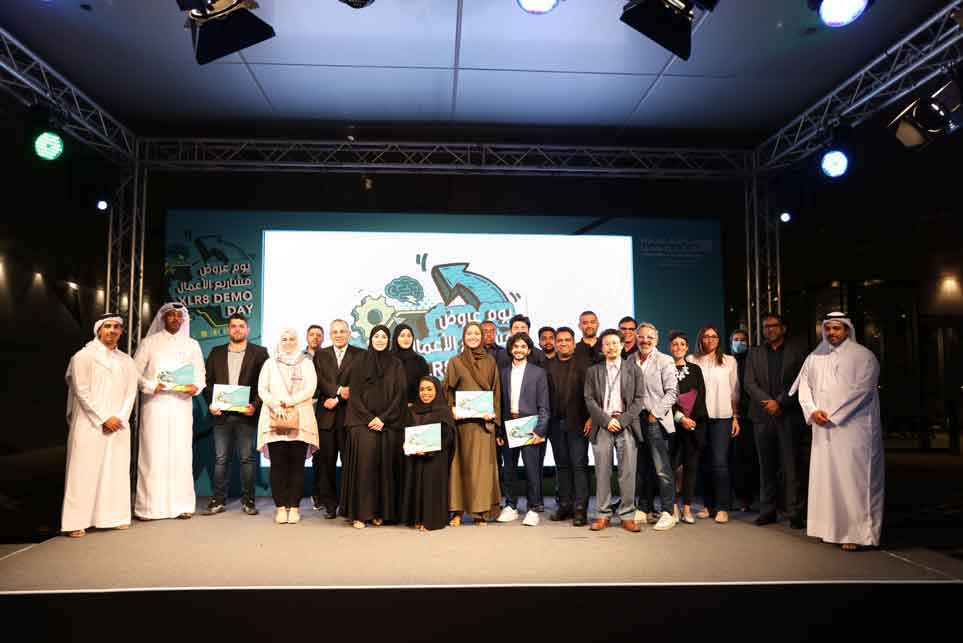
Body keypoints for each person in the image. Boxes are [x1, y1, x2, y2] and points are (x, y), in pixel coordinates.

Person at [790, 312, 883, 551]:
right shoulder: (814, 358)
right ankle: (829, 530)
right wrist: (812, 411)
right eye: (828, 328)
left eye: (837, 328)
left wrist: (833, 415)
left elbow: (863, 391)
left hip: (854, 429)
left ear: (847, 330)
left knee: (854, 481)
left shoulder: (864, 356)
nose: (832, 333)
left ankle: (857, 534)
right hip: (823, 429)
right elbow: (804, 387)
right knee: (826, 479)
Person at [61, 313, 138, 538]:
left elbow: (131, 392)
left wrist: (120, 417)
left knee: (115, 471)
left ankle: (113, 517)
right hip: (90, 423)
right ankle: (76, 521)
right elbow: (81, 391)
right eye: (108, 326)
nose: (112, 330)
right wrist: (104, 418)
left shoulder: (127, 360)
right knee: (83, 472)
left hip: (119, 424)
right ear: (99, 330)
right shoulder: (83, 356)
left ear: (121, 332)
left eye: (117, 327)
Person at [133, 303, 206, 520]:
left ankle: (183, 505)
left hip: (181, 407)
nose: (175, 319)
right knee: (152, 454)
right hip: (155, 406)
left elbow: (200, 375)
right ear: (163, 318)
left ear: (184, 320)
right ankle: (148, 508)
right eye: (171, 315)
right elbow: (134, 373)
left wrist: (196, 387)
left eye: (179, 316)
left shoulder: (192, 345)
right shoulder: (149, 343)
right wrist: (150, 386)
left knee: (180, 454)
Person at [744, 314, 808, 529]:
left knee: (792, 466)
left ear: (783, 328)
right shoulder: (754, 353)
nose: (769, 329)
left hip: (788, 414)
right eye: (766, 327)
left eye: (773, 326)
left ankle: (795, 512)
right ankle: (767, 510)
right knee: (766, 466)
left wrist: (780, 402)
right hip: (762, 416)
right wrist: (768, 402)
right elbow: (749, 383)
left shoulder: (797, 351)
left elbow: (801, 381)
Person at [340, 325, 407, 529]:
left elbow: (399, 394)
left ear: (389, 340)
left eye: (384, 337)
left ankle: (380, 513)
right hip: (362, 423)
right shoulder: (359, 361)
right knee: (365, 467)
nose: (380, 340)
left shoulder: (396, 363)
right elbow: (355, 394)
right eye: (376, 336)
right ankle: (361, 514)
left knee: (384, 467)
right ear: (370, 339)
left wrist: (383, 418)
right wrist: (370, 418)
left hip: (388, 423)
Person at [202, 313, 269, 516]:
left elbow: (264, 384)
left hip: (246, 415)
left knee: (247, 459)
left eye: (241, 326)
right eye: (233, 326)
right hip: (221, 415)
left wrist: (255, 406)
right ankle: (218, 500)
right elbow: (207, 383)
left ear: (248, 329)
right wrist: (211, 403)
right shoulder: (216, 352)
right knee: (221, 459)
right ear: (228, 329)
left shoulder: (260, 353)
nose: (237, 329)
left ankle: (249, 501)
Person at [584, 329, 645, 532]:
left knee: (628, 472)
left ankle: (627, 515)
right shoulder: (593, 371)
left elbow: (639, 399)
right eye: (607, 344)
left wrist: (623, 420)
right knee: (602, 471)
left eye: (614, 343)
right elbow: (589, 399)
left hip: (626, 425)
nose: (611, 347)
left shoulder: (634, 369)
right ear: (602, 348)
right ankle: (603, 514)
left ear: (622, 345)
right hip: (603, 424)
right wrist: (606, 420)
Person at [256, 328, 319, 524]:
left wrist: (290, 401)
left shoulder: (307, 363)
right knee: (278, 465)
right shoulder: (270, 363)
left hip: (301, 418)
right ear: (279, 341)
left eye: (292, 339)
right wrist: (276, 405)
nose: (288, 342)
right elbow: (262, 389)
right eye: (284, 339)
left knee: (297, 466)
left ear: (297, 341)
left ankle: (294, 507)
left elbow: (311, 388)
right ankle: (281, 507)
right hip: (274, 417)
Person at [444, 322, 502, 526]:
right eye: (469, 333)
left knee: (481, 470)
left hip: (482, 425)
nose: (473, 337)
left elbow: (496, 392)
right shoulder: (455, 361)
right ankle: (457, 512)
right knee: (459, 468)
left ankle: (480, 512)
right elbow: (448, 391)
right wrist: (451, 409)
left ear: (482, 337)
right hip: (462, 425)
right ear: (463, 336)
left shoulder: (491, 361)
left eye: (476, 333)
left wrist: (493, 415)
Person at [311, 319, 364, 518]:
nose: (339, 335)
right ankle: (330, 504)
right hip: (326, 417)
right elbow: (318, 380)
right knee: (326, 464)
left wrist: (338, 398)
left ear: (349, 334)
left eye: (342, 331)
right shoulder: (321, 355)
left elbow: (360, 383)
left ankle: (349, 504)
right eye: (335, 332)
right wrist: (339, 391)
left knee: (350, 464)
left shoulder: (361, 355)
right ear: (330, 335)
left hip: (350, 417)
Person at [496, 333, 551, 526]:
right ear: (510, 349)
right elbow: (500, 404)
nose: (519, 350)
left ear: (528, 350)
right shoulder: (502, 373)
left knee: (531, 469)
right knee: (509, 469)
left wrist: (540, 430)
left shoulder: (538, 373)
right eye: (515, 346)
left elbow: (544, 405)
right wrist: (499, 431)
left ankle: (533, 508)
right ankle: (511, 506)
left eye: (523, 347)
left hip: (530, 426)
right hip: (509, 425)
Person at [688, 325, 740, 523]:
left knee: (719, 462)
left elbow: (734, 391)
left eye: (714, 336)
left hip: (723, 417)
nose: (710, 340)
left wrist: (735, 416)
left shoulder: (729, 361)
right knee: (702, 462)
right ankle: (708, 505)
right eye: (706, 336)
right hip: (699, 418)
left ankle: (722, 507)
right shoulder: (691, 360)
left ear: (718, 340)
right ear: (700, 339)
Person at [631, 323, 679, 530]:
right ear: (636, 338)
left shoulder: (664, 360)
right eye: (642, 337)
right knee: (643, 468)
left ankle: (668, 511)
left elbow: (672, 393)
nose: (645, 340)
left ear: (656, 340)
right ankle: (644, 507)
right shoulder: (630, 360)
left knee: (662, 469)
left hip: (655, 420)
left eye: (650, 337)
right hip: (635, 420)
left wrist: (654, 415)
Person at [546, 326, 591, 526]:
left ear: (573, 343)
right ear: (555, 344)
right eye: (560, 340)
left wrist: (591, 418)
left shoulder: (584, 365)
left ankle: (580, 509)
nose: (563, 343)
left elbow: (592, 395)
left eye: (567, 340)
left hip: (579, 423)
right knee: (562, 466)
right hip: (556, 424)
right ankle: (565, 505)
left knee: (579, 466)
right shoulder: (548, 366)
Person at [401, 376, 457, 531]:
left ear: (437, 391)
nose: (425, 393)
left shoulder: (444, 411)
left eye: (429, 389)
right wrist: (407, 444)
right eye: (422, 389)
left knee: (431, 486)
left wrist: (429, 450)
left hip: (436, 458)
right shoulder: (412, 410)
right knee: (416, 484)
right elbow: (405, 431)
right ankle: (417, 518)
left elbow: (448, 437)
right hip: (415, 456)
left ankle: (431, 521)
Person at [667, 331, 707, 525]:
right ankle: (673, 506)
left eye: (682, 344)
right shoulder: (665, 368)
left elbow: (701, 396)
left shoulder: (695, 369)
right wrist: (680, 417)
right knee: (672, 467)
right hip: (671, 425)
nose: (678, 347)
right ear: (670, 347)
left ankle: (687, 508)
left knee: (691, 467)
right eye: (675, 344)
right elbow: (663, 396)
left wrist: (690, 420)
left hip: (693, 425)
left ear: (687, 347)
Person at [730, 328, 758, 513]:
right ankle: (738, 497)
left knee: (749, 457)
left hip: (751, 415)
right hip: (731, 415)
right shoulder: (727, 361)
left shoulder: (753, 361)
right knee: (734, 458)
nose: (739, 342)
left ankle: (749, 497)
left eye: (742, 339)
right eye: (736, 339)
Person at [392, 323, 431, 404]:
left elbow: (425, 386)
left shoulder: (420, 361)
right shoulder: (388, 360)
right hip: (392, 407)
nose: (406, 339)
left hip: (416, 406)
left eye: (409, 336)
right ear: (396, 338)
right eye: (402, 336)